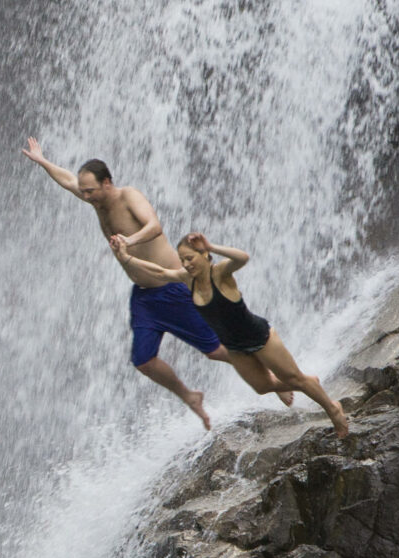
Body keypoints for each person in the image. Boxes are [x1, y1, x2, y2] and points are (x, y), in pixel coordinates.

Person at [20, 141, 277, 429]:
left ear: (107, 183)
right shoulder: (96, 201)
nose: (86, 196)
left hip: (172, 287)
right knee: (144, 361)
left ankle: (273, 376)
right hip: (143, 296)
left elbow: (154, 225)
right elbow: (68, 180)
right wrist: (43, 161)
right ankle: (191, 397)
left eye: (90, 190)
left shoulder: (129, 197)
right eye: (84, 192)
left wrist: (129, 241)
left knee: (216, 350)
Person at [112, 231, 350, 437]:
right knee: (263, 386)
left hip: (260, 338)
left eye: (190, 258)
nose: (186, 264)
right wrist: (127, 258)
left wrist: (212, 245)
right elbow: (161, 273)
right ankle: (309, 383)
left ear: (204, 255)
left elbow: (242, 257)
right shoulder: (186, 279)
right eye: (183, 259)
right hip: (234, 347)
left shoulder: (221, 273)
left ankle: (332, 409)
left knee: (294, 378)